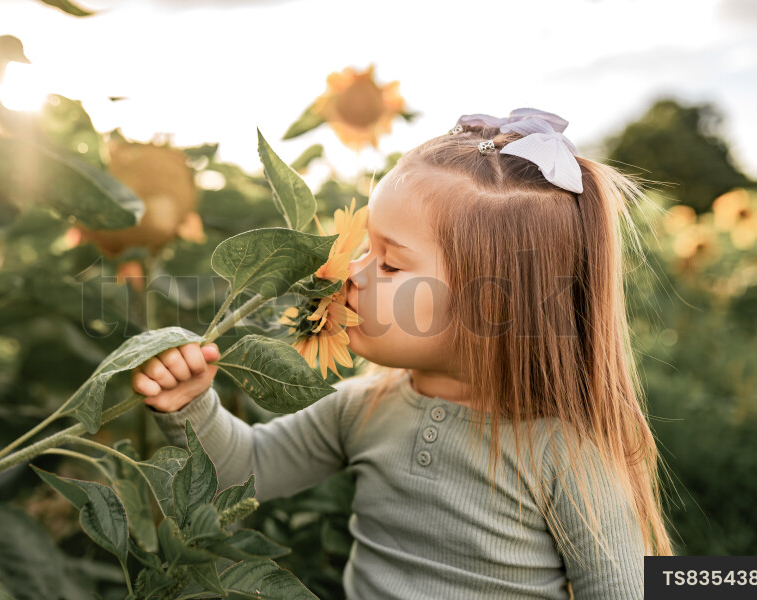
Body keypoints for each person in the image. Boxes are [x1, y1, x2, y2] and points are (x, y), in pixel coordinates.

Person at [131, 108, 675, 599]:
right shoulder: (363, 407)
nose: (353, 272)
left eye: (390, 264)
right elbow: (246, 470)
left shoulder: (566, 455)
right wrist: (191, 406)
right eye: (366, 247)